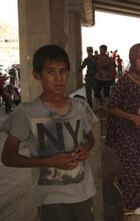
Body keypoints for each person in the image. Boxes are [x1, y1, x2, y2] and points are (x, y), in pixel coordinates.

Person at [1, 45, 97, 221]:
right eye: (50, 72)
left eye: (63, 71)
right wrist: (48, 161)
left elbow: (90, 138)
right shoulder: (26, 112)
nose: (58, 78)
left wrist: (86, 148)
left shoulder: (80, 106)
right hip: (51, 199)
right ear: (37, 74)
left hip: (84, 193)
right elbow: (7, 157)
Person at [105, 43, 140, 216]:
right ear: (133, 60)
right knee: (133, 161)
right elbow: (109, 107)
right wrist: (133, 117)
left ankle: (123, 181)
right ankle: (129, 205)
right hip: (120, 125)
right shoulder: (125, 81)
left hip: (135, 123)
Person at [95, 44, 116, 111]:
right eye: (100, 49)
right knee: (97, 93)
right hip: (99, 78)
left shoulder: (108, 59)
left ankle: (105, 107)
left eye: (102, 49)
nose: (101, 51)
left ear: (105, 50)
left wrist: (108, 69)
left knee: (106, 94)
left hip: (106, 78)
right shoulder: (97, 57)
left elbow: (113, 66)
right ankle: (96, 107)